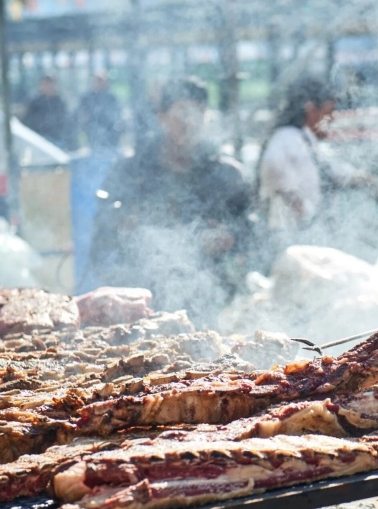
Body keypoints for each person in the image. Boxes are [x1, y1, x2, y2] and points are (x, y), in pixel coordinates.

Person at [83, 76, 252, 328]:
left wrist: (230, 235)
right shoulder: (131, 171)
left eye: (199, 111)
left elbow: (251, 227)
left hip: (213, 301)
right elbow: (102, 230)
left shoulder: (227, 174)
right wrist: (122, 224)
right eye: (182, 111)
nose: (190, 120)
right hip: (141, 303)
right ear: (161, 115)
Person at [256, 75, 378, 267]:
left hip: (304, 234)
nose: (331, 119)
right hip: (286, 237)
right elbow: (273, 166)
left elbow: (333, 169)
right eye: (328, 113)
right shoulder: (286, 138)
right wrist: (295, 201)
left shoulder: (306, 141)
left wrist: (369, 181)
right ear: (311, 109)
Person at [75, 70, 124, 153]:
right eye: (98, 80)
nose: (100, 83)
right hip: (92, 134)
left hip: (110, 136)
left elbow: (116, 116)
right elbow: (81, 115)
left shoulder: (112, 98)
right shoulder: (86, 98)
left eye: (102, 81)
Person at [22, 75, 70, 149]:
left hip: (57, 139)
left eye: (49, 84)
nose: (47, 87)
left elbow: (65, 122)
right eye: (45, 84)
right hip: (38, 139)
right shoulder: (34, 103)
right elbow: (28, 121)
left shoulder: (60, 102)